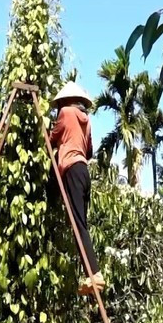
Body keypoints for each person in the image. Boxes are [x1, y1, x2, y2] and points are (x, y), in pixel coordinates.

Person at [49, 81, 106, 296]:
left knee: (78, 224)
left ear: (64, 101)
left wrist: (60, 139)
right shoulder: (86, 120)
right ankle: (91, 274)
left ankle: (95, 274)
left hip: (72, 169)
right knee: (81, 224)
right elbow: (89, 151)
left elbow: (51, 138)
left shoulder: (65, 113)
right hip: (83, 171)